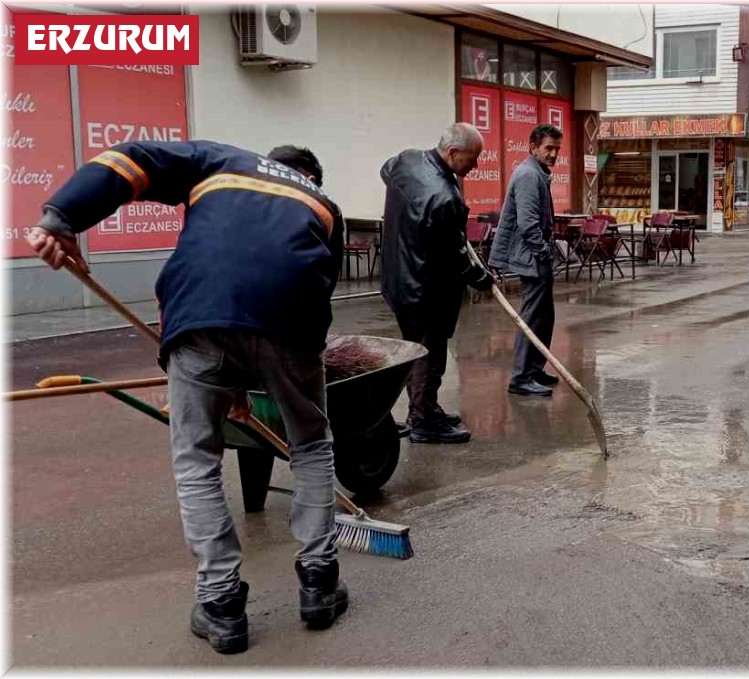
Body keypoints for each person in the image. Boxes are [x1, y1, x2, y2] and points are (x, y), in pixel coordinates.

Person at [26, 140, 348, 654]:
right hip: (292, 326)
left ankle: (221, 605)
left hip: (201, 317)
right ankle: (320, 582)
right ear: (310, 177)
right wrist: (260, 370)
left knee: (197, 459)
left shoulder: (219, 161)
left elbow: (127, 161)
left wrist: (62, 218)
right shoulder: (324, 205)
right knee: (310, 444)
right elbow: (311, 287)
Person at [379, 123, 495, 444]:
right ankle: (423, 419)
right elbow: (456, 259)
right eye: (473, 158)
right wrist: (481, 277)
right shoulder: (444, 198)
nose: (476, 165)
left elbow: (385, 171)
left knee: (415, 346)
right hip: (426, 289)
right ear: (453, 152)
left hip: (398, 278)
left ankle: (423, 407)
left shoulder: (406, 161)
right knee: (429, 354)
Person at [489, 124, 564, 398]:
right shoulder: (529, 175)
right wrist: (545, 253)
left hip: (535, 257)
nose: (554, 154)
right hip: (532, 258)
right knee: (532, 318)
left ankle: (533, 369)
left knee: (544, 317)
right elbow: (528, 224)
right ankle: (521, 378)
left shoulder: (537, 173)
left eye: (557, 149)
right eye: (548, 148)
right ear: (533, 147)